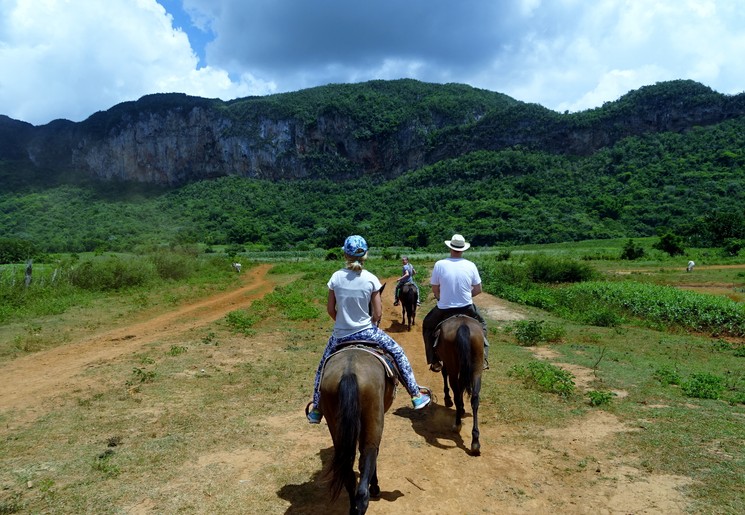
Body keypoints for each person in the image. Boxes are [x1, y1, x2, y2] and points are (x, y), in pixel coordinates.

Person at [307, 235, 431, 424]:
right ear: (365, 255)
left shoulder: (335, 277)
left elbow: (331, 309)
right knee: (398, 352)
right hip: (367, 331)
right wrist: (369, 324)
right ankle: (415, 394)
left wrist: (342, 323)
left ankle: (316, 408)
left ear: (344, 254)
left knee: (322, 367)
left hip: (340, 335)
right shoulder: (371, 279)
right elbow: (378, 313)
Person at [421, 234, 489, 372]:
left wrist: (441, 297)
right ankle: (483, 359)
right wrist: (464, 295)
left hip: (444, 308)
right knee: (482, 325)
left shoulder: (439, 264)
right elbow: (478, 289)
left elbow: (435, 288)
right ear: (463, 249)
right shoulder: (470, 265)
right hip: (467, 307)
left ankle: (433, 360)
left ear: (450, 247)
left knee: (427, 326)